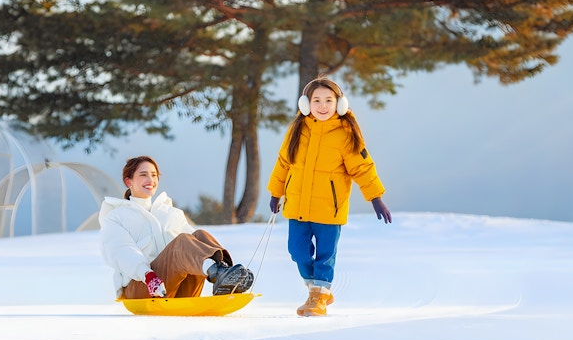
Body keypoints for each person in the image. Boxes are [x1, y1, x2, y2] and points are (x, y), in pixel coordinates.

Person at [267, 75, 392, 317]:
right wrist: (276, 192)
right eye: (316, 100)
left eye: (328, 100)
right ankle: (317, 290)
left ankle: (319, 296)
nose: (322, 106)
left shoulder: (346, 134)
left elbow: (362, 167)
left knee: (325, 256)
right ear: (306, 103)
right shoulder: (297, 129)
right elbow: (284, 162)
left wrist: (375, 197)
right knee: (297, 251)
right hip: (298, 206)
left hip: (329, 209)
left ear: (339, 104)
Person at [99, 155, 254, 300]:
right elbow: (122, 251)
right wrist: (147, 275)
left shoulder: (170, 213)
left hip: (175, 288)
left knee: (200, 235)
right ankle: (217, 273)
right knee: (182, 241)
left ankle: (226, 275)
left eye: (154, 175)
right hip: (142, 287)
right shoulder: (116, 217)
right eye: (143, 175)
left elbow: (194, 247)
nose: (150, 180)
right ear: (129, 182)